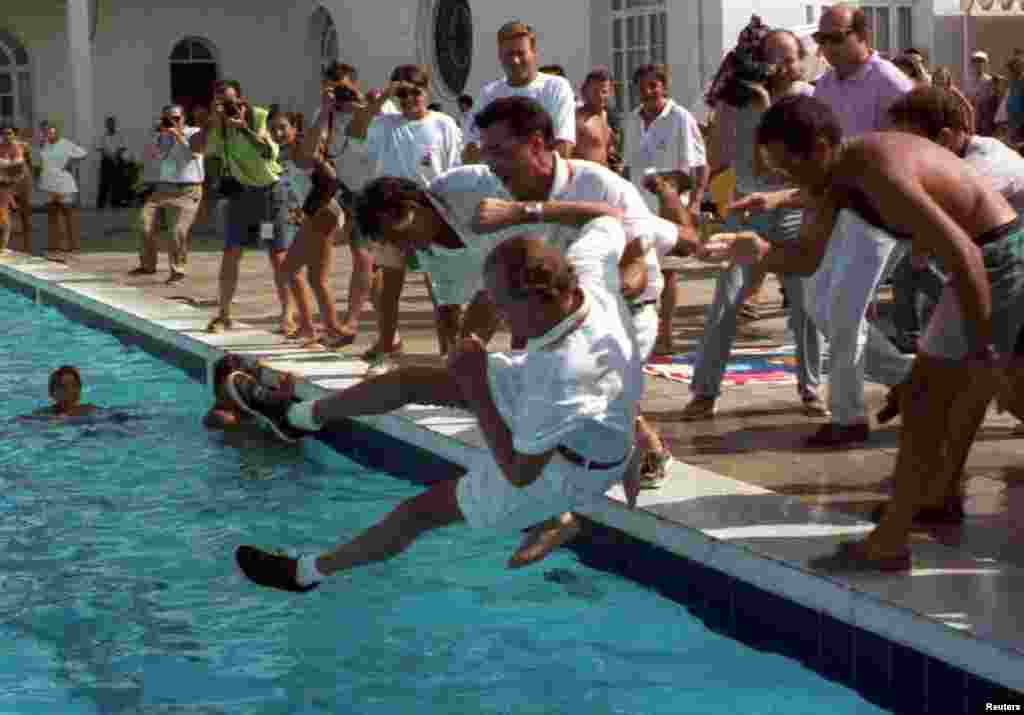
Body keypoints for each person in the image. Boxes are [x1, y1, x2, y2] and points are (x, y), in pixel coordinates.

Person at [704, 94, 1024, 571]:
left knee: (938, 399)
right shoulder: (832, 180)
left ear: (818, 147)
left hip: (994, 259)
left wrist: (982, 352)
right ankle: (907, 523)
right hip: (974, 267)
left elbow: (967, 254)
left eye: (789, 168)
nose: (787, 182)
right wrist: (756, 250)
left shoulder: (874, 168)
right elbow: (807, 257)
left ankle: (893, 537)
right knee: (925, 399)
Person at [229, 231, 644, 592]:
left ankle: (304, 573)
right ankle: (297, 417)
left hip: (564, 473)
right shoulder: (590, 271)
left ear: (539, 298)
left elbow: (520, 473)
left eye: (502, 304)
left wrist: (477, 387)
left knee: (417, 513)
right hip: (584, 426)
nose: (497, 315)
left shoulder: (562, 374)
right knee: (412, 380)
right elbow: (616, 219)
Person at [773, 2, 914, 446]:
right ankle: (913, 377)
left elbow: (911, 146)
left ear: (861, 36)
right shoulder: (825, 87)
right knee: (818, 301)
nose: (826, 48)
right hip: (841, 208)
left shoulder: (890, 82)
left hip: (882, 212)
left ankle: (848, 417)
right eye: (821, 39)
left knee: (847, 312)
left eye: (834, 38)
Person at [682, 28, 826, 421]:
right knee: (726, 301)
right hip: (749, 209)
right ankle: (704, 392)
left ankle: (811, 389)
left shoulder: (809, 100)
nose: (783, 65)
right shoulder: (743, 101)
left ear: (800, 61)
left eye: (790, 57)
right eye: (774, 56)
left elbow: (787, 164)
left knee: (805, 305)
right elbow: (719, 156)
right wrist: (726, 105)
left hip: (795, 208)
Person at [343, 64, 464, 370]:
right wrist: (382, 96)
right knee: (388, 291)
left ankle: (449, 355)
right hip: (389, 217)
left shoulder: (444, 124)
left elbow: (453, 170)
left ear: (427, 91)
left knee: (442, 293)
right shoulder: (384, 124)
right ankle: (387, 350)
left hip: (430, 216)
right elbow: (354, 132)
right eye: (403, 94)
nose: (410, 99)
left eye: (416, 92)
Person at [282, 61, 396, 349]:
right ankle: (389, 335)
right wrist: (324, 113)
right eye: (334, 88)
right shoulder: (326, 113)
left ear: (355, 84)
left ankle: (350, 323)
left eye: (344, 87)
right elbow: (307, 154)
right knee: (373, 273)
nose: (341, 94)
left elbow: (390, 137)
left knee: (364, 259)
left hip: (380, 192)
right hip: (350, 194)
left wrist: (366, 107)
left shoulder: (379, 108)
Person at [621, 63, 709, 355]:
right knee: (639, 263)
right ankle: (640, 329)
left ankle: (665, 334)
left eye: (653, 85)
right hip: (637, 203)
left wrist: (695, 203)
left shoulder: (680, 117)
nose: (648, 92)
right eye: (643, 86)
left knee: (669, 271)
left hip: (671, 202)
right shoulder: (631, 119)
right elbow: (627, 165)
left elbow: (700, 166)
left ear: (663, 86)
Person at [194, 79, 282, 333]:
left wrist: (242, 128)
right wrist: (211, 120)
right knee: (231, 252)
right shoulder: (216, 126)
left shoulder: (259, 117)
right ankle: (223, 314)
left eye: (230, 102)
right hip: (240, 197)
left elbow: (267, 152)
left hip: (268, 196)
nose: (227, 107)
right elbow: (197, 148)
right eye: (221, 102)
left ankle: (289, 313)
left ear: (242, 100)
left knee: (276, 253)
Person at [462, 21, 577, 164]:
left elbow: (564, 146)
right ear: (499, 55)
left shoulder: (556, 87)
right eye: (509, 54)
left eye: (521, 53)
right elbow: (470, 150)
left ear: (534, 52)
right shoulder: (488, 94)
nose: (515, 60)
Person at [129, 105, 205, 284]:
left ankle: (178, 271)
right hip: (164, 189)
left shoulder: (195, 132)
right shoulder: (161, 136)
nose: (173, 122)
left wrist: (177, 135)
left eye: (176, 118)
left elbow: (194, 154)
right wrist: (159, 135)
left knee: (177, 231)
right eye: (168, 119)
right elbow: (154, 157)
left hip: (188, 189)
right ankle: (148, 265)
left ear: (184, 118)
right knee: (144, 222)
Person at [266, 110, 318, 343]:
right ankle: (308, 325)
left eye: (282, 128)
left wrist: (308, 211)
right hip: (276, 213)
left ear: (295, 128)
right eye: (273, 129)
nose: (277, 133)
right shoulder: (282, 153)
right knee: (285, 266)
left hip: (305, 217)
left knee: (298, 272)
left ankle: (313, 326)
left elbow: (325, 178)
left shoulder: (302, 150)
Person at [38, 123, 88, 254]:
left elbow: (83, 153)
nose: (49, 135)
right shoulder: (44, 145)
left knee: (68, 214)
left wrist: (70, 162)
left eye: (52, 132)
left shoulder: (65, 143)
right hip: (48, 184)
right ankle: (54, 245)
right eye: (47, 132)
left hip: (64, 183)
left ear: (57, 133)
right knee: (52, 215)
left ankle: (73, 246)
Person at [574, 67, 616, 166]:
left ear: (610, 93)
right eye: (595, 91)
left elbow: (609, 153)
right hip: (583, 178)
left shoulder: (609, 118)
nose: (600, 96)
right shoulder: (576, 120)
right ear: (584, 92)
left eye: (604, 91)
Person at [0, 124, 28, 253]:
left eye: (9, 133)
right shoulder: (2, 146)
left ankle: (3, 245)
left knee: (4, 213)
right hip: (4, 183)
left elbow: (18, 167)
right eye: (4, 133)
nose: (7, 136)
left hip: (9, 184)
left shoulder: (17, 148)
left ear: (14, 135)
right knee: (4, 213)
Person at [31, 366, 98, 418]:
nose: (70, 391)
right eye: (63, 387)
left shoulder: (90, 411)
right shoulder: (42, 414)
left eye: (74, 386)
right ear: (52, 393)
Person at [96, 115, 127, 209]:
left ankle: (116, 203)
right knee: (104, 183)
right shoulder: (103, 136)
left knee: (117, 183)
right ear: (106, 125)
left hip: (118, 161)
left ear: (114, 124)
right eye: (108, 123)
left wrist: (115, 157)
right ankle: (101, 204)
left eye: (112, 123)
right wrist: (110, 157)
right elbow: (101, 150)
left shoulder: (120, 135)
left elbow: (122, 148)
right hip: (106, 161)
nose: (110, 125)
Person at [968, 50, 998, 136]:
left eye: (981, 62)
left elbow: (992, 101)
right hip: (973, 119)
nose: (978, 64)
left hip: (985, 121)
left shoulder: (990, 81)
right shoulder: (968, 80)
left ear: (985, 64)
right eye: (976, 62)